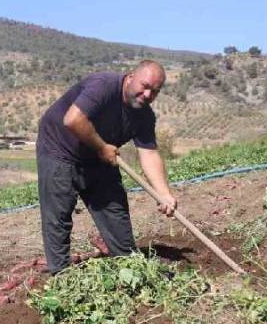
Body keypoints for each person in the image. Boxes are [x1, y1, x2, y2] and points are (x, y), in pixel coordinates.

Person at [36, 60, 178, 275]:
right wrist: (102, 147)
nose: (148, 94)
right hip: (60, 150)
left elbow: (148, 153)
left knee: (115, 211)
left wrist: (164, 193)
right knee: (58, 216)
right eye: (145, 86)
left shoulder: (145, 116)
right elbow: (73, 119)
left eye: (155, 91)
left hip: (99, 157)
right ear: (130, 77)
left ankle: (130, 265)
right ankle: (61, 277)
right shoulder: (104, 85)